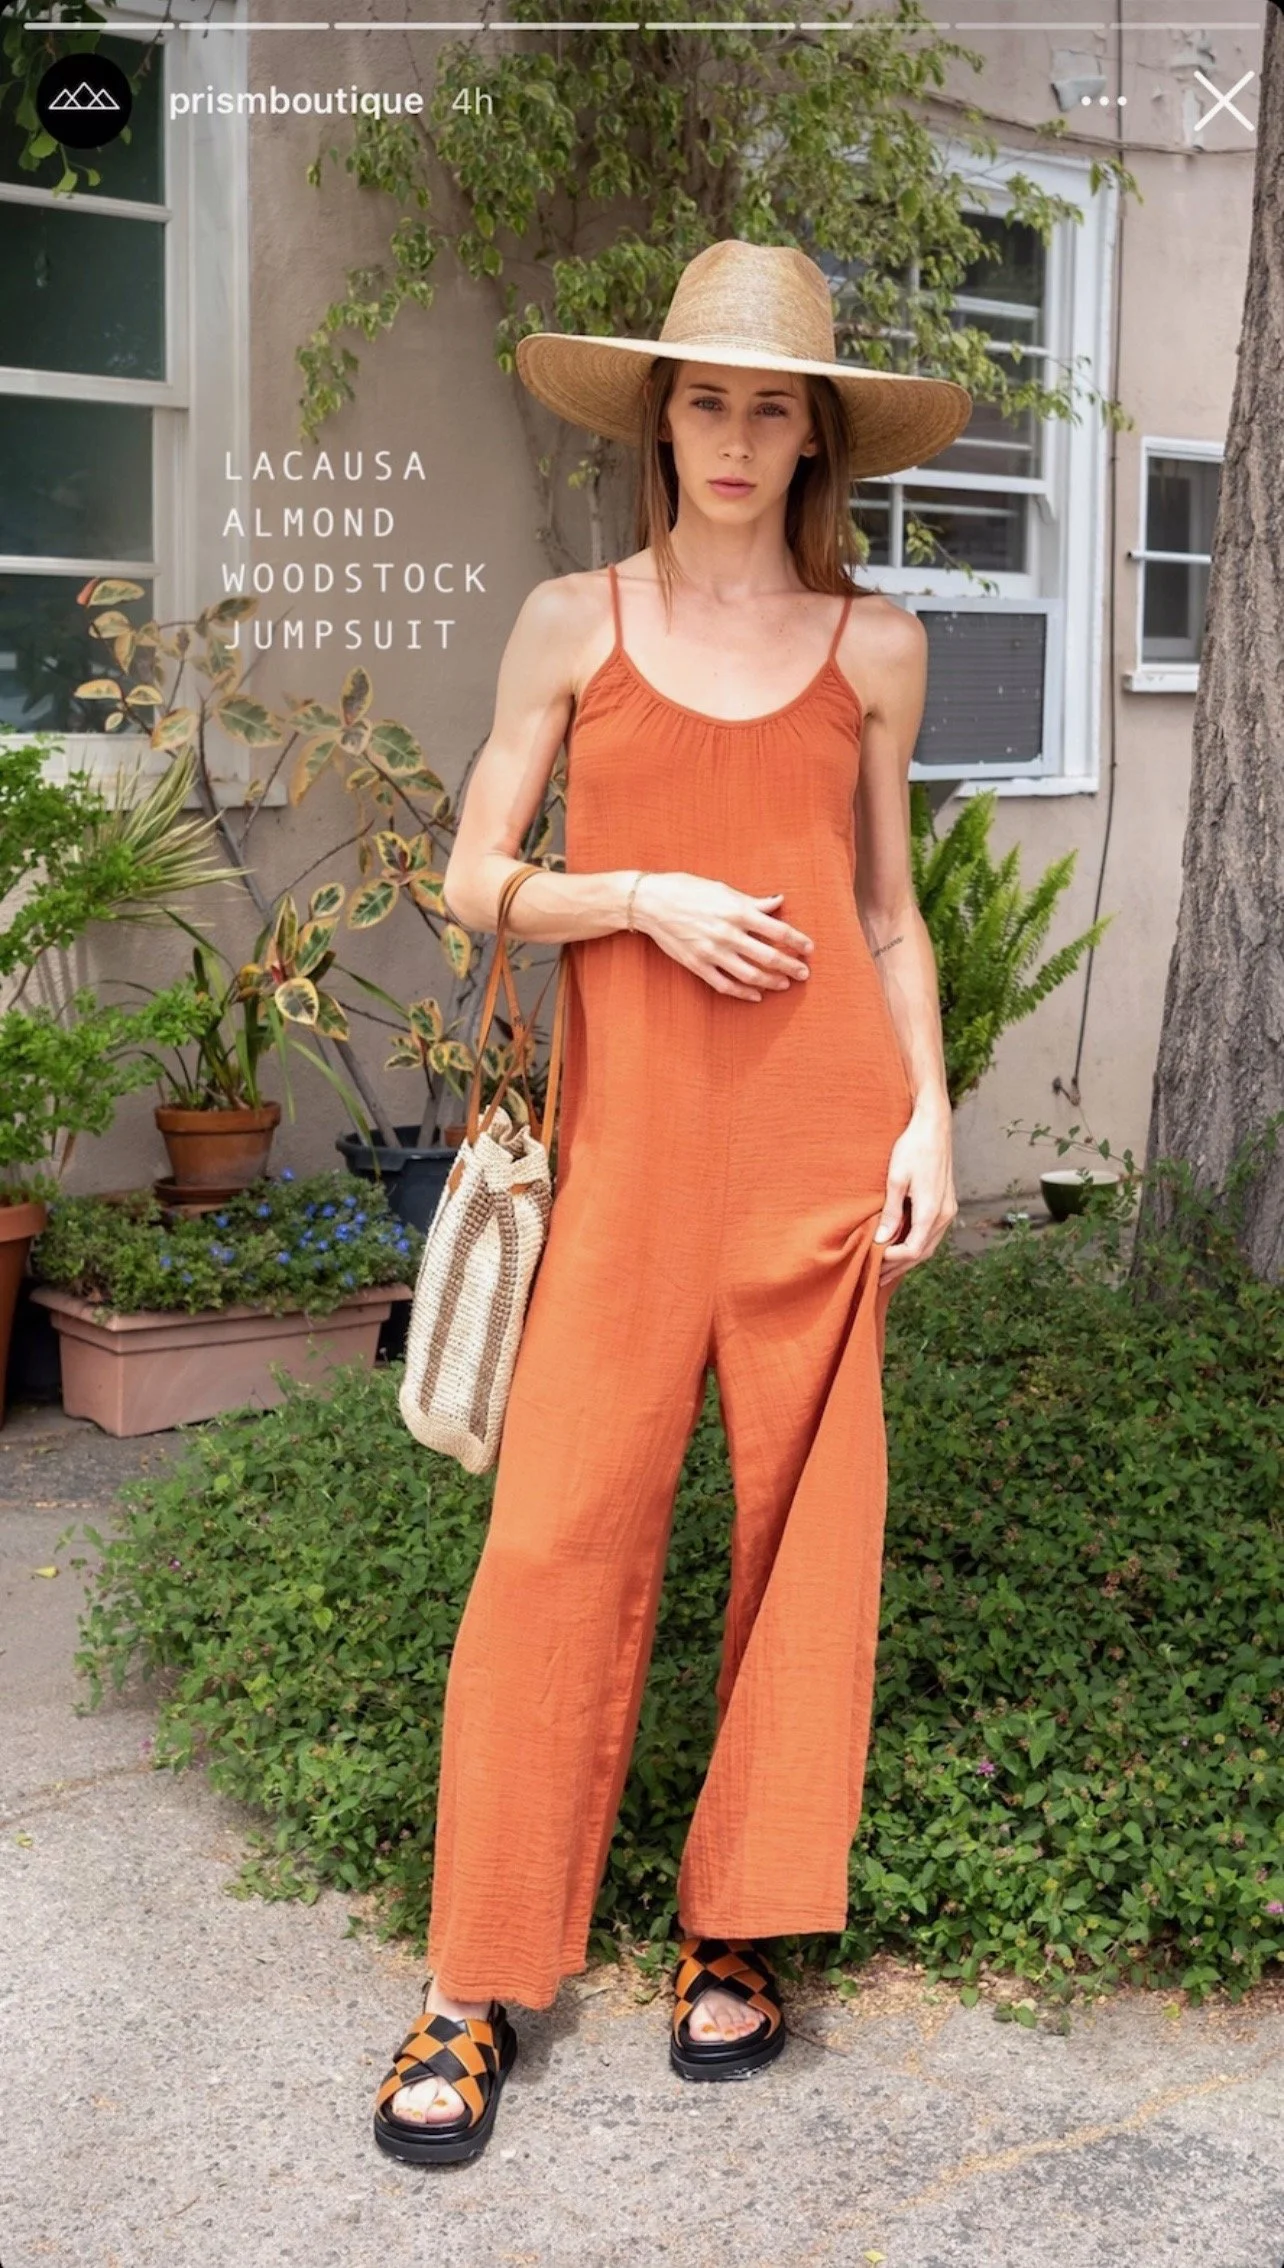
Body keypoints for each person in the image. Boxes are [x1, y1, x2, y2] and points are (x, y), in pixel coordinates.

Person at [373, 237, 970, 2166]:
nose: (733, 433)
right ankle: (473, 1984)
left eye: (768, 404)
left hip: (820, 1146)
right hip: (628, 1155)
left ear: (814, 438)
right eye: (703, 398)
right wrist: (635, 900)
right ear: (663, 420)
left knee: (808, 1544)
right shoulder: (573, 621)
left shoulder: (876, 647)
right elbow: (472, 876)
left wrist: (932, 1125)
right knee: (551, 1548)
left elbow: (888, 912)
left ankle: (740, 1927)